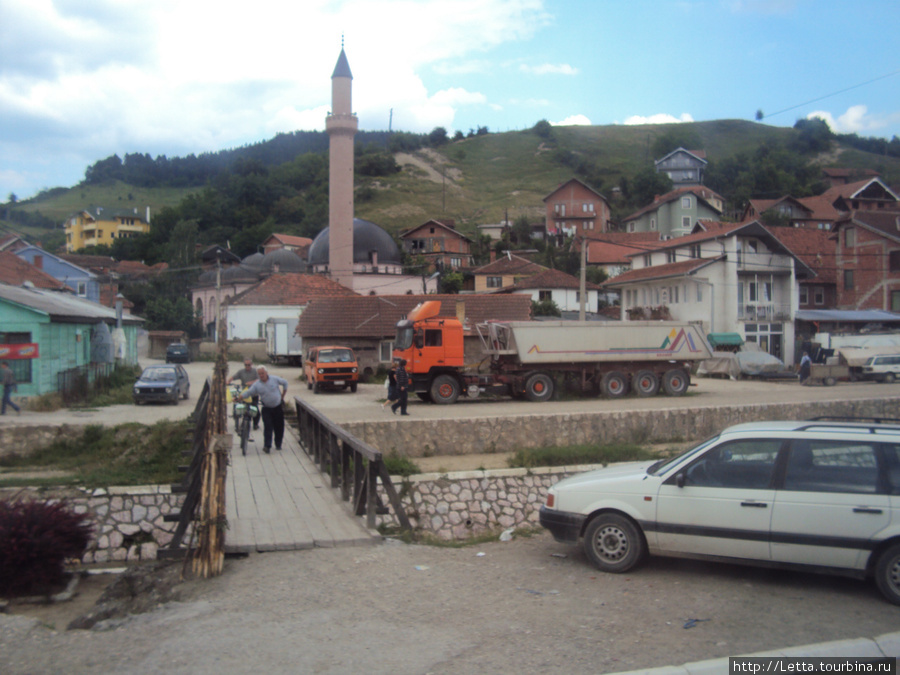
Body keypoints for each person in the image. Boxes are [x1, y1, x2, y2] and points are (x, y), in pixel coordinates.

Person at [239, 366, 288, 453]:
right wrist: (241, 396)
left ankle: (278, 444)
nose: (261, 375)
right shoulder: (257, 385)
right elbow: (249, 392)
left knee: (279, 427)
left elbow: (285, 383)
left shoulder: (274, 379)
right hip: (266, 408)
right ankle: (267, 446)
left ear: (266, 373)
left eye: (262, 373)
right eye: (259, 374)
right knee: (268, 427)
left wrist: (283, 395)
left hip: (277, 407)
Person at [228, 358, 260, 429]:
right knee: (240, 405)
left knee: (255, 408)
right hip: (244, 393)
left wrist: (251, 383)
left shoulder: (255, 371)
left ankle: (256, 424)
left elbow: (259, 380)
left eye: (249, 365)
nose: (247, 366)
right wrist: (228, 381)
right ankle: (239, 419)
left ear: (251, 365)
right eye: (246, 365)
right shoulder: (241, 372)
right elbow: (233, 377)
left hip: (253, 393)